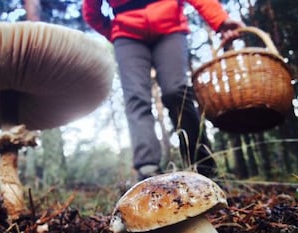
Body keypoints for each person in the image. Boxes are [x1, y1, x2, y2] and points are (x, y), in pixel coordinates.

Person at [82, 0, 244, 180]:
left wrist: (220, 20)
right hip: (127, 34)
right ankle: (148, 170)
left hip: (170, 27)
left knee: (176, 92)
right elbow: (91, 12)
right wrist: (113, 31)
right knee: (136, 97)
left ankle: (203, 166)